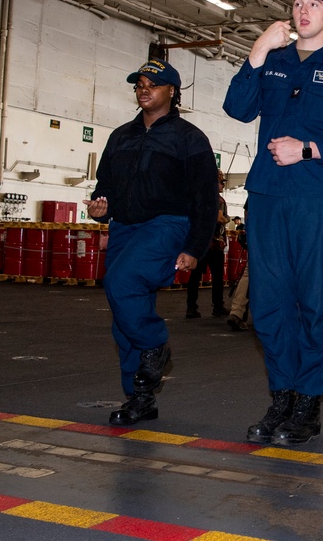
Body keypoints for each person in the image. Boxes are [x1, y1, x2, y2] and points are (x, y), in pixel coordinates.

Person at [223, 0, 323, 446]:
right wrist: (256, 51)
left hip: (318, 201)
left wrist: (309, 148)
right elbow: (236, 108)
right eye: (297, 2)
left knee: (312, 302)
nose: (303, 10)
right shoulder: (272, 62)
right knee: (269, 304)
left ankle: (307, 404)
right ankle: (282, 397)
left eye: (315, 3)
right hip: (268, 196)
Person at [84, 58, 218, 426]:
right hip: (126, 226)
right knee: (123, 308)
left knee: (121, 283)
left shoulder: (189, 138)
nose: (144, 89)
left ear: (172, 92)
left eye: (153, 84)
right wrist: (100, 208)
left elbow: (206, 199)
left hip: (168, 224)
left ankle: (155, 343)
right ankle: (140, 396)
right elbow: (105, 187)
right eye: (139, 84)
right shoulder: (121, 136)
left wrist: (194, 247)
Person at [186, 170, 230, 318]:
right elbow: (220, 219)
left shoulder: (197, 197)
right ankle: (218, 306)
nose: (223, 185)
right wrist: (226, 219)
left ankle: (191, 307)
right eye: (221, 182)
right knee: (217, 276)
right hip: (214, 243)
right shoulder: (218, 200)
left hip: (199, 242)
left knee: (195, 275)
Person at [227, 199, 250, 332]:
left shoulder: (257, 183)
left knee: (248, 274)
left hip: (257, 236)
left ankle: (237, 312)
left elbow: (247, 212)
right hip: (276, 238)